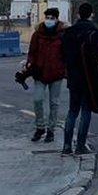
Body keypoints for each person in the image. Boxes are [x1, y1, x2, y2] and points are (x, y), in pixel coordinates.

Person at [61, 3, 98, 155]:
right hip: (89, 77)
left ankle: (66, 146)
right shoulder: (94, 31)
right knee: (86, 111)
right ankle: (80, 145)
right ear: (91, 14)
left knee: (72, 111)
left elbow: (62, 54)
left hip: (73, 77)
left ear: (78, 15)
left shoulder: (69, 32)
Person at [26, 8, 66, 143]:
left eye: (52, 18)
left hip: (56, 73)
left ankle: (51, 130)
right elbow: (32, 52)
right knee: (37, 100)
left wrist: (64, 69)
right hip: (40, 72)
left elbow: (67, 54)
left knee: (54, 103)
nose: (49, 20)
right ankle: (40, 127)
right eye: (47, 17)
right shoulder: (38, 34)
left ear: (56, 19)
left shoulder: (63, 34)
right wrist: (31, 64)